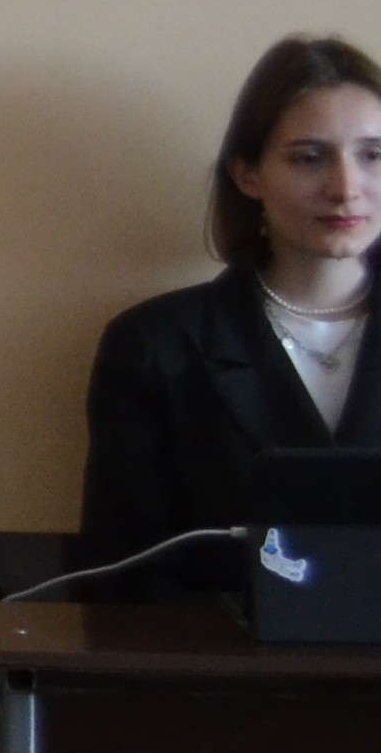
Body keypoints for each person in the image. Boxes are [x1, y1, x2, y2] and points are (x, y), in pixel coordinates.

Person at [82, 33, 381, 588]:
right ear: (248, 174)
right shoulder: (155, 346)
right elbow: (123, 577)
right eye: (309, 157)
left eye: (373, 155)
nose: (346, 187)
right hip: (220, 645)